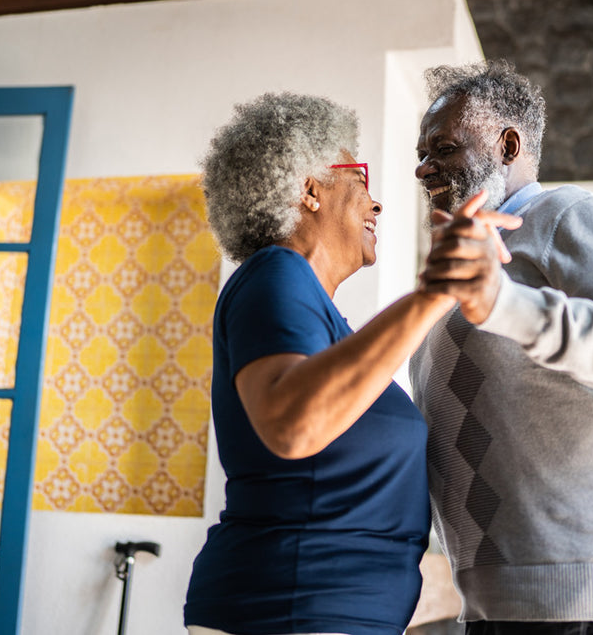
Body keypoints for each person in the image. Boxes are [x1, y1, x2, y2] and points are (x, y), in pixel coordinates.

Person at [183, 92, 518, 635]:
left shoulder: (320, 319)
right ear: (309, 191)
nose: (376, 202)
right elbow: (295, 423)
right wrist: (434, 292)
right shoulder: (276, 272)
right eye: (358, 178)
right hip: (288, 610)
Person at [411, 61, 593, 635]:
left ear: (507, 145)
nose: (424, 169)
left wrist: (505, 304)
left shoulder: (565, 215)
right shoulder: (465, 265)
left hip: (589, 598)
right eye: (420, 155)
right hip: (501, 603)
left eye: (442, 148)